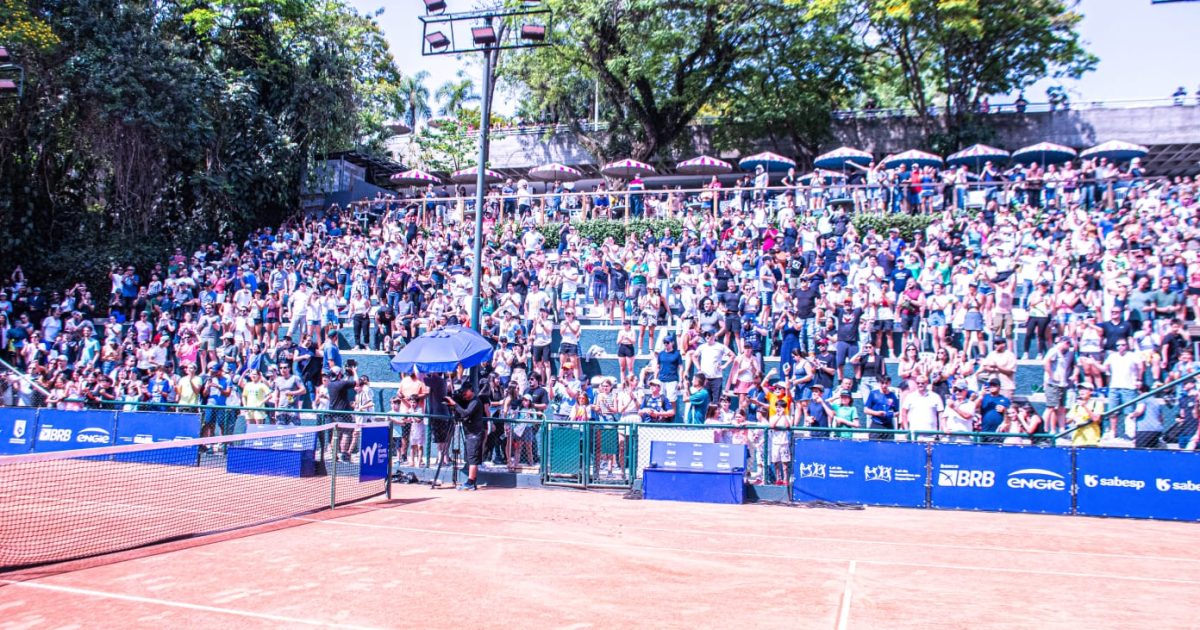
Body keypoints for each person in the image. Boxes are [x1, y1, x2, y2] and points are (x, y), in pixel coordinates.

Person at [443, 380, 487, 491]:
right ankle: (471, 481)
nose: (463, 394)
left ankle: (471, 482)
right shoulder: (467, 401)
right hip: (469, 433)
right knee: (470, 457)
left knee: (472, 458)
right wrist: (454, 403)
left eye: (465, 392)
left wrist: (455, 404)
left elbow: (466, 413)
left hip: (475, 434)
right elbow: (461, 413)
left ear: (470, 390)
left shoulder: (475, 401)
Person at [864, 375, 899, 440]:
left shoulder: (892, 396)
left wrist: (890, 414)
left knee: (888, 447)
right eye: (882, 383)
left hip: (888, 426)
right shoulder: (873, 394)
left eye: (886, 383)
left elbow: (897, 412)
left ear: (889, 383)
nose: (884, 385)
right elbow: (866, 410)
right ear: (879, 383)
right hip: (876, 424)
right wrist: (877, 413)